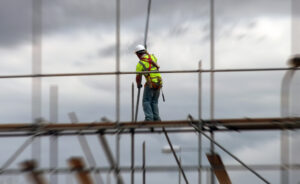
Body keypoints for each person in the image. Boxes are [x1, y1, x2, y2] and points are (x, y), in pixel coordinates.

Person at [135, 44, 162, 121]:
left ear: (138, 54)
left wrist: (138, 84)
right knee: (154, 102)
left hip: (151, 84)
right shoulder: (153, 57)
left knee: (146, 101)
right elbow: (152, 60)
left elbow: (138, 77)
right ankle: (156, 118)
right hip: (159, 82)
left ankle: (149, 118)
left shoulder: (140, 64)